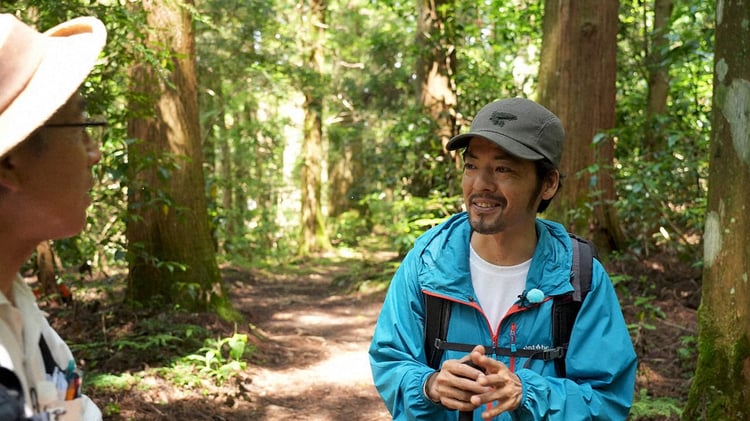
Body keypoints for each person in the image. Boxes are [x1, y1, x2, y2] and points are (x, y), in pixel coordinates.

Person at [369, 97, 637, 420]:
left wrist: (528, 393)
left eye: (502, 168)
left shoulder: (577, 277)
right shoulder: (428, 264)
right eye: (471, 166)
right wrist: (430, 385)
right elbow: (390, 360)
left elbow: (608, 400)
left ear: (548, 183)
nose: (480, 185)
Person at [0, 13, 107, 420]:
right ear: (9, 162)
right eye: (79, 128)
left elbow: (68, 409)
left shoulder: (17, 303)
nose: (94, 152)